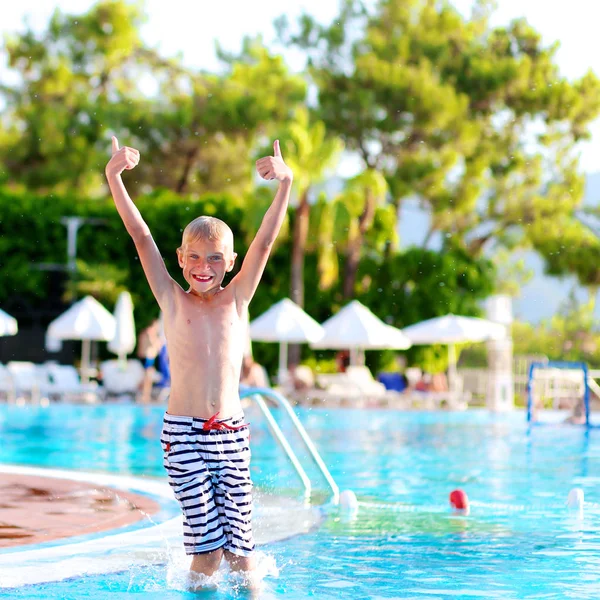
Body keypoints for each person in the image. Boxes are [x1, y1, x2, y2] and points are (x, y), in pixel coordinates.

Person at [105, 136, 293, 587]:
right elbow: (140, 234)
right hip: (185, 436)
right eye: (194, 257)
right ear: (180, 259)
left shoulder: (237, 300)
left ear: (230, 261)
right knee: (208, 555)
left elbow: (265, 242)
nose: (203, 266)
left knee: (243, 559)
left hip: (232, 435)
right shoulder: (171, 299)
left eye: (214, 258)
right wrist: (114, 176)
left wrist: (286, 183)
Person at [136, 318, 163, 403]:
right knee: (148, 378)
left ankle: (143, 395)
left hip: (146, 357)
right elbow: (156, 346)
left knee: (145, 378)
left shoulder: (144, 333)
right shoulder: (150, 333)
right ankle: (145, 396)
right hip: (148, 358)